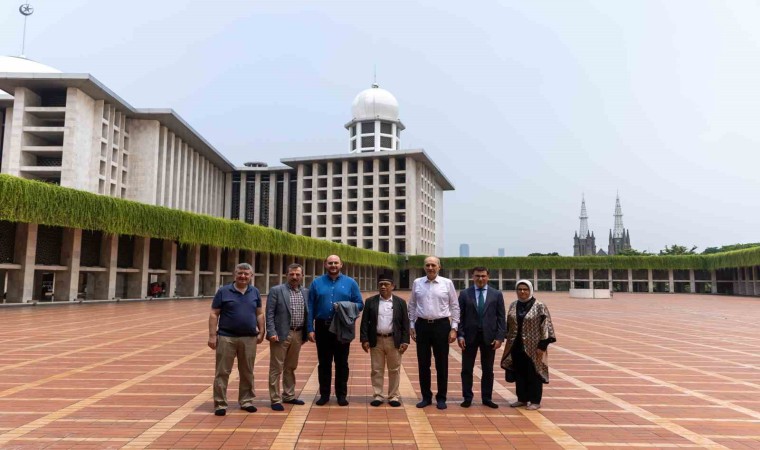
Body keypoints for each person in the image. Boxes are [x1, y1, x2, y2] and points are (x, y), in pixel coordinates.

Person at [208, 263, 265, 416]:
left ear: (251, 276)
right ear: (235, 274)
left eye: (246, 274)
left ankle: (246, 401)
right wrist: (212, 335)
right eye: (240, 273)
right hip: (226, 337)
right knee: (222, 372)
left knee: (247, 371)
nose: (243, 276)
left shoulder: (255, 292)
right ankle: (220, 403)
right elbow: (214, 313)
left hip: (249, 338)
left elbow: (259, 313)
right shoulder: (223, 291)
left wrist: (262, 331)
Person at [307, 255, 364, 406]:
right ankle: (324, 395)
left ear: (341, 264)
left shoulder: (350, 283)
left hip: (342, 326)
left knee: (342, 362)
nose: (333, 265)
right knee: (324, 363)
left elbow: (360, 304)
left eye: (336, 263)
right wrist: (310, 328)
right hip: (322, 326)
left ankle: (341, 395)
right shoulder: (316, 283)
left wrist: (344, 306)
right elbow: (310, 306)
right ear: (325, 264)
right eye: (330, 263)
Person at [408, 256, 460, 409]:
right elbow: (412, 305)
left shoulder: (447, 283)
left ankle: (441, 397)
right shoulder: (417, 283)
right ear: (424, 267)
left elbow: (454, 306)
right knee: (423, 364)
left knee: (441, 364)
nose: (430, 268)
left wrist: (454, 328)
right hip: (422, 326)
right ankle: (426, 397)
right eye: (427, 265)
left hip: (441, 326)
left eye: (433, 265)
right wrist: (412, 325)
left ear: (439, 267)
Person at [500, 279, 556, 410]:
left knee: (534, 373)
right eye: (519, 289)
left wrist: (542, 346)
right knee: (519, 373)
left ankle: (535, 400)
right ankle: (522, 399)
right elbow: (509, 324)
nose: (522, 292)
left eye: (525, 289)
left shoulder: (539, 306)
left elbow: (546, 326)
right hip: (516, 346)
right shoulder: (513, 305)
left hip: (534, 347)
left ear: (530, 290)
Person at [457, 267, 506, 408]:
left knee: (488, 369)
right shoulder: (465, 294)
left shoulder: (496, 294)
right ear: (472, 277)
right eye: (477, 276)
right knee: (467, 369)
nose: (480, 279)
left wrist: (500, 337)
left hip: (489, 337)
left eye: (483, 276)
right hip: (469, 337)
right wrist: (460, 335)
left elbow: (501, 317)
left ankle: (487, 398)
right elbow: (459, 316)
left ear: (488, 277)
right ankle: (467, 397)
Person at [360, 271, 410, 407]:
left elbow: (405, 323)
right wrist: (364, 339)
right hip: (376, 340)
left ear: (392, 286)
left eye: (386, 284)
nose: (383, 287)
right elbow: (364, 322)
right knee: (376, 369)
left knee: (394, 369)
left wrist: (405, 341)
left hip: (394, 340)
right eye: (381, 284)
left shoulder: (400, 302)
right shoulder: (370, 302)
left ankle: (394, 396)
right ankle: (378, 395)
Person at [266, 263, 309, 411]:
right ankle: (275, 399)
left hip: (298, 334)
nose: (294, 277)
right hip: (280, 334)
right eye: (291, 274)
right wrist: (271, 332)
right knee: (276, 367)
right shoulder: (276, 290)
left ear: (302, 276)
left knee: (291, 366)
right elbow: (269, 313)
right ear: (286, 275)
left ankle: (289, 395)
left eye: (297, 274)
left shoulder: (306, 292)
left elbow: (308, 313)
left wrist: (306, 333)